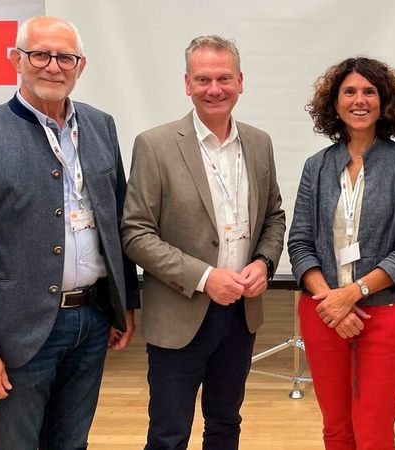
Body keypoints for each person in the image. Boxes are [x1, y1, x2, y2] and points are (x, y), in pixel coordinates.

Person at [0, 16, 139, 449]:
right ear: (16, 60)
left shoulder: (101, 124)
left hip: (92, 320)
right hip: (17, 332)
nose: (53, 66)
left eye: (65, 57)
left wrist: (125, 306)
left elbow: (115, 219)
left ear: (80, 65)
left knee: (71, 443)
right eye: (40, 54)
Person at [120, 35, 285, 450]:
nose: (215, 89)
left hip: (241, 315)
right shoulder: (155, 145)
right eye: (204, 79)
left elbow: (274, 217)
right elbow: (135, 232)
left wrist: (265, 261)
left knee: (226, 424)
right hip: (180, 314)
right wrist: (205, 276)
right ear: (187, 84)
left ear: (241, 81)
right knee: (168, 434)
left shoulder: (259, 142)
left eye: (224, 78)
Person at [287, 56, 395, 449]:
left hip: (383, 312)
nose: (359, 100)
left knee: (373, 429)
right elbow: (299, 242)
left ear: (384, 102)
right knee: (335, 427)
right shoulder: (316, 167)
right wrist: (330, 300)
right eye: (349, 91)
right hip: (322, 311)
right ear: (335, 103)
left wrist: (352, 294)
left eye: (369, 91)